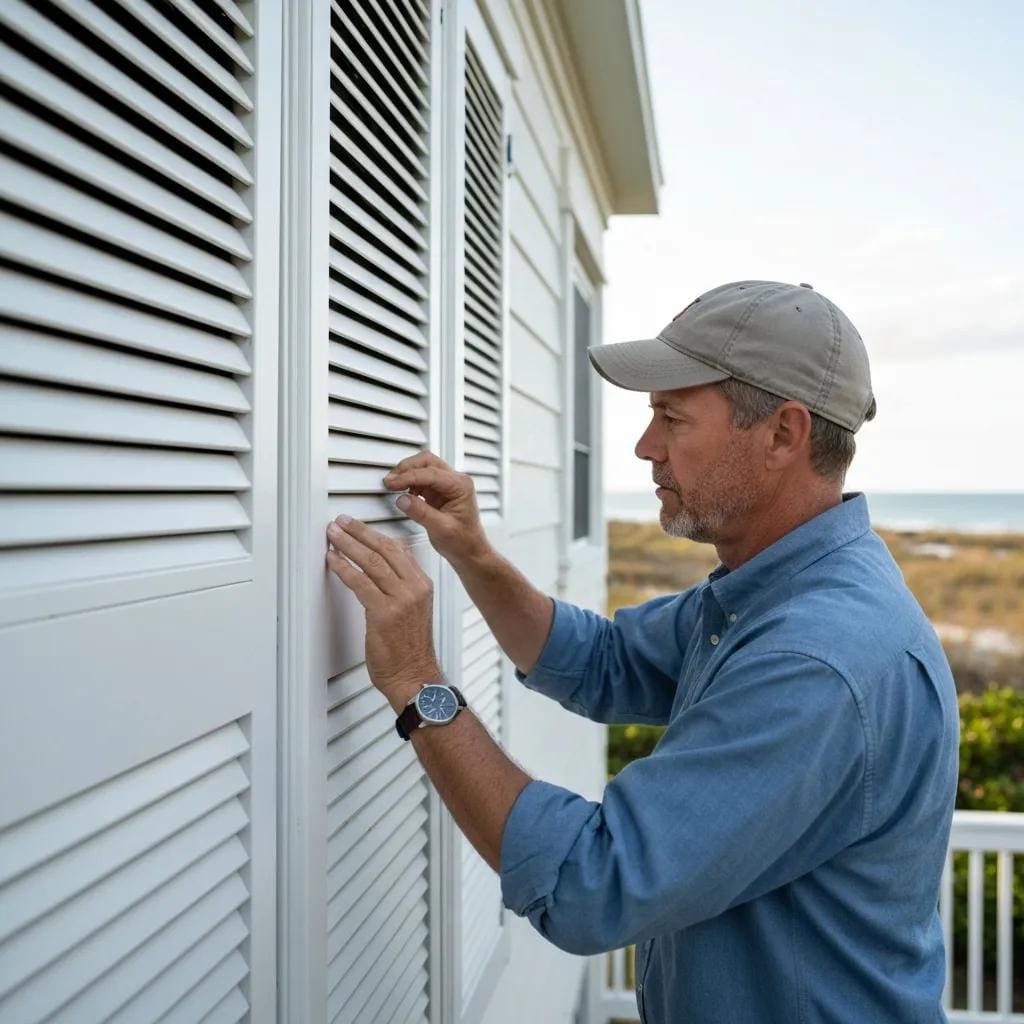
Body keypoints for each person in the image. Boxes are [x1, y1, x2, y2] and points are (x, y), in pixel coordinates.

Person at [327, 279, 958, 1023]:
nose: (643, 446)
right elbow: (601, 660)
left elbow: (591, 883)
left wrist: (415, 681)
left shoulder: (816, 661)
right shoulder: (770, 590)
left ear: (783, 435)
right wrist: (472, 554)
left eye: (672, 417)